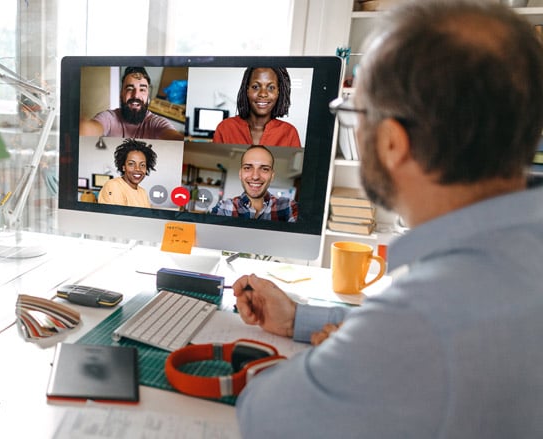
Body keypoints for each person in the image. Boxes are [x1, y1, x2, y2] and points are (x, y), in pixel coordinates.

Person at [232, 1, 543, 437]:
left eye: (355, 113)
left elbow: (266, 416)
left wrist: (335, 358)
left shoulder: (426, 314)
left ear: (393, 142)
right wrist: (297, 320)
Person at [79, 67, 184, 141]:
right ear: (121, 94)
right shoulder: (109, 118)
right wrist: (83, 127)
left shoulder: (156, 123)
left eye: (142, 89)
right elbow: (91, 129)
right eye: (130, 89)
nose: (136, 95)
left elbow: (172, 136)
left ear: (148, 96)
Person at [213, 67, 301, 147]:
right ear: (247, 90)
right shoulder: (225, 128)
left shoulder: (289, 133)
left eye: (271, 87)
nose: (263, 94)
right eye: (255, 87)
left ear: (278, 92)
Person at [211, 145, 296, 222]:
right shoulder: (224, 208)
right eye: (248, 168)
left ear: (272, 176)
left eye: (264, 169)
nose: (255, 176)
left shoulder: (288, 206)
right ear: (240, 174)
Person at [98, 139, 157, 208]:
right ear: (123, 167)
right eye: (131, 164)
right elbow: (118, 217)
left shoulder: (142, 192)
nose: (137, 169)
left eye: (142, 165)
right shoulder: (114, 186)